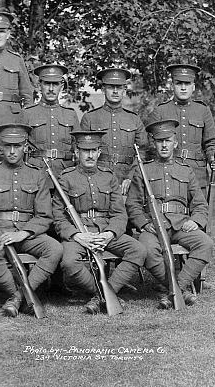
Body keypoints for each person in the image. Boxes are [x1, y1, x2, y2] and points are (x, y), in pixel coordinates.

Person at [0, 121, 62, 317]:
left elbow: (44, 215)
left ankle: (18, 297)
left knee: (54, 249)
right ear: (1, 148)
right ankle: (16, 293)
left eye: (17, 146)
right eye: (8, 146)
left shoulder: (37, 175)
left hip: (27, 233)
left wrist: (24, 233)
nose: (12, 151)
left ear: (25, 147)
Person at [51, 131, 146, 314]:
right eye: (85, 151)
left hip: (105, 230)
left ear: (99, 152)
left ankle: (102, 294)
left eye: (93, 150)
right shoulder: (66, 177)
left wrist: (109, 234)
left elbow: (119, 214)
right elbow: (58, 216)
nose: (90, 155)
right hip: (79, 233)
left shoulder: (108, 177)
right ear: (77, 152)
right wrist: (78, 236)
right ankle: (103, 293)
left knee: (138, 250)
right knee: (69, 263)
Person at [128, 119, 214, 309]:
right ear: (154, 144)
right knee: (147, 250)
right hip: (153, 227)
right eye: (160, 141)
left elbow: (200, 204)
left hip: (181, 225)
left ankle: (176, 288)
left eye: (168, 141)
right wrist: (143, 224)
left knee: (205, 244)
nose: (164, 145)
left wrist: (196, 221)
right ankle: (180, 290)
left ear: (175, 143)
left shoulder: (185, 171)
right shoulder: (143, 170)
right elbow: (132, 204)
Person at [151, 64, 215, 176]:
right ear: (172, 86)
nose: (183, 88)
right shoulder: (160, 111)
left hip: (197, 173)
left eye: (187, 84)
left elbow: (211, 142)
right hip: (168, 172)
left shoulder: (203, 110)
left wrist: (213, 159)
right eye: (179, 83)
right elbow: (151, 146)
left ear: (193, 87)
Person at [80, 68, 146, 181]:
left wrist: (131, 177)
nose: (115, 91)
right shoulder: (90, 118)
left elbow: (143, 151)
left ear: (124, 90)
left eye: (119, 88)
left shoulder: (134, 119)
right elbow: (81, 151)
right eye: (111, 87)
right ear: (103, 89)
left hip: (127, 178)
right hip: (97, 178)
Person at [23, 64, 80, 172]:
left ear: (61, 87)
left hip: (65, 172)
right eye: (47, 84)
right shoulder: (28, 113)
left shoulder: (70, 114)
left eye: (55, 84)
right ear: (39, 85)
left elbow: (78, 148)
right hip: (36, 171)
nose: (51, 89)